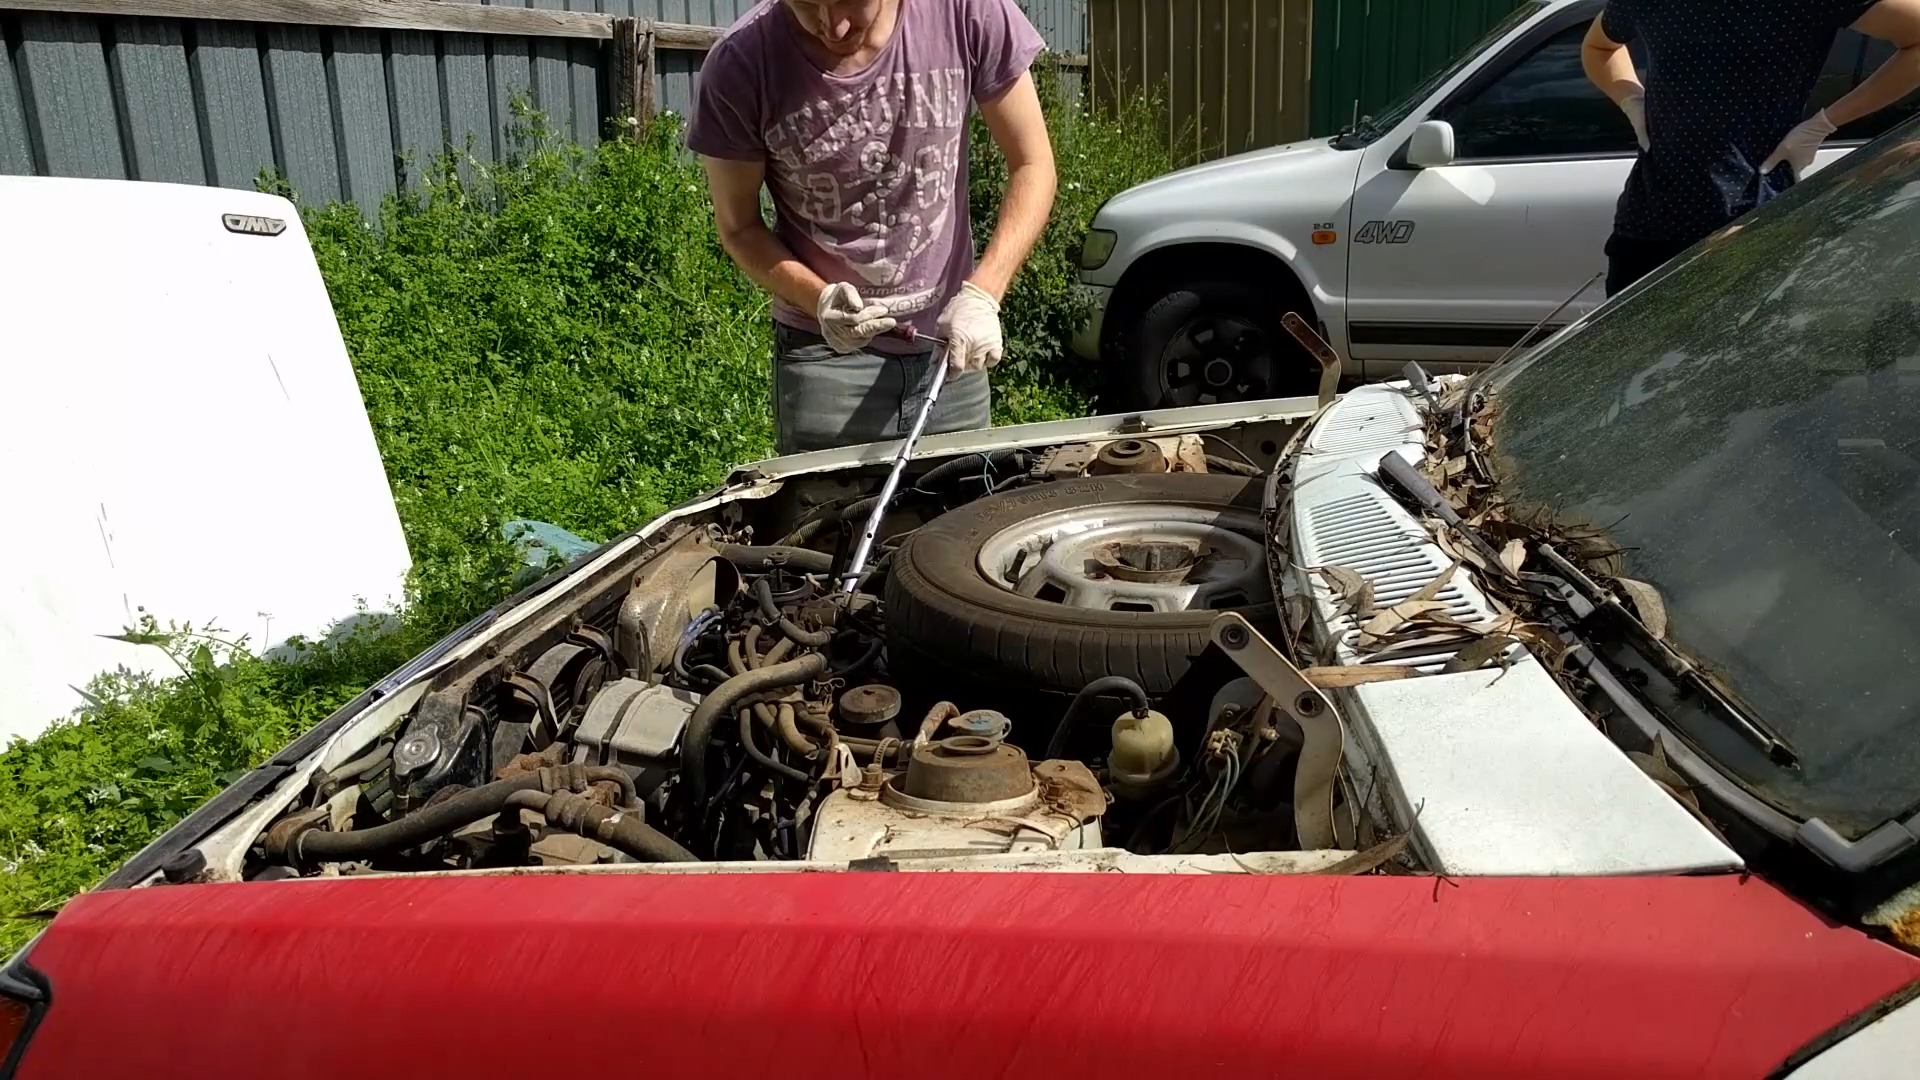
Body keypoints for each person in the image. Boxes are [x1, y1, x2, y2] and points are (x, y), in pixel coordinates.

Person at [687, 0, 1058, 455]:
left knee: (960, 521)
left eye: (850, 1)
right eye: (806, 6)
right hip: (826, 361)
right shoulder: (741, 65)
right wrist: (818, 299)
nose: (834, 25)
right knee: (823, 525)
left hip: (949, 351)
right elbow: (738, 227)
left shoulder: (967, 12)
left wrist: (985, 293)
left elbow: (1033, 164)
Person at [1583, 0, 1920, 297]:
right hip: (1645, 231)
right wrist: (1631, 99)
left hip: (1756, 226)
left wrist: (1823, 124)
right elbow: (1599, 47)